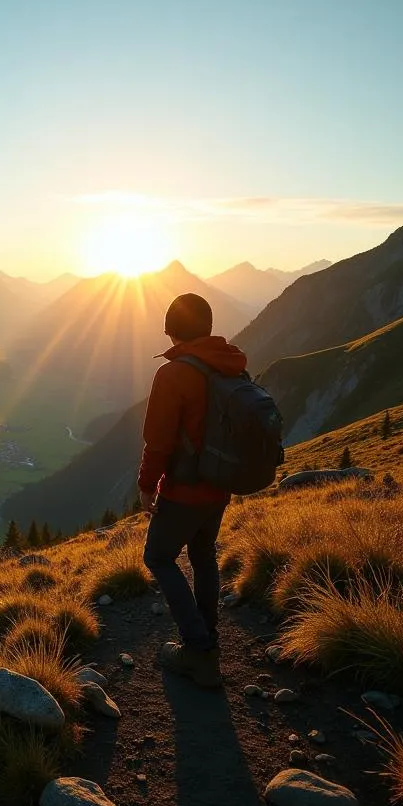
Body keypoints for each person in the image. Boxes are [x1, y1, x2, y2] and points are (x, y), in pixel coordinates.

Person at [138, 292, 248, 688]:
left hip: (183, 490)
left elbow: (159, 443)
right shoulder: (230, 366)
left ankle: (198, 649)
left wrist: (147, 486)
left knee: (159, 557)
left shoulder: (174, 374)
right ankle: (209, 640)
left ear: (170, 331)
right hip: (219, 486)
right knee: (203, 555)